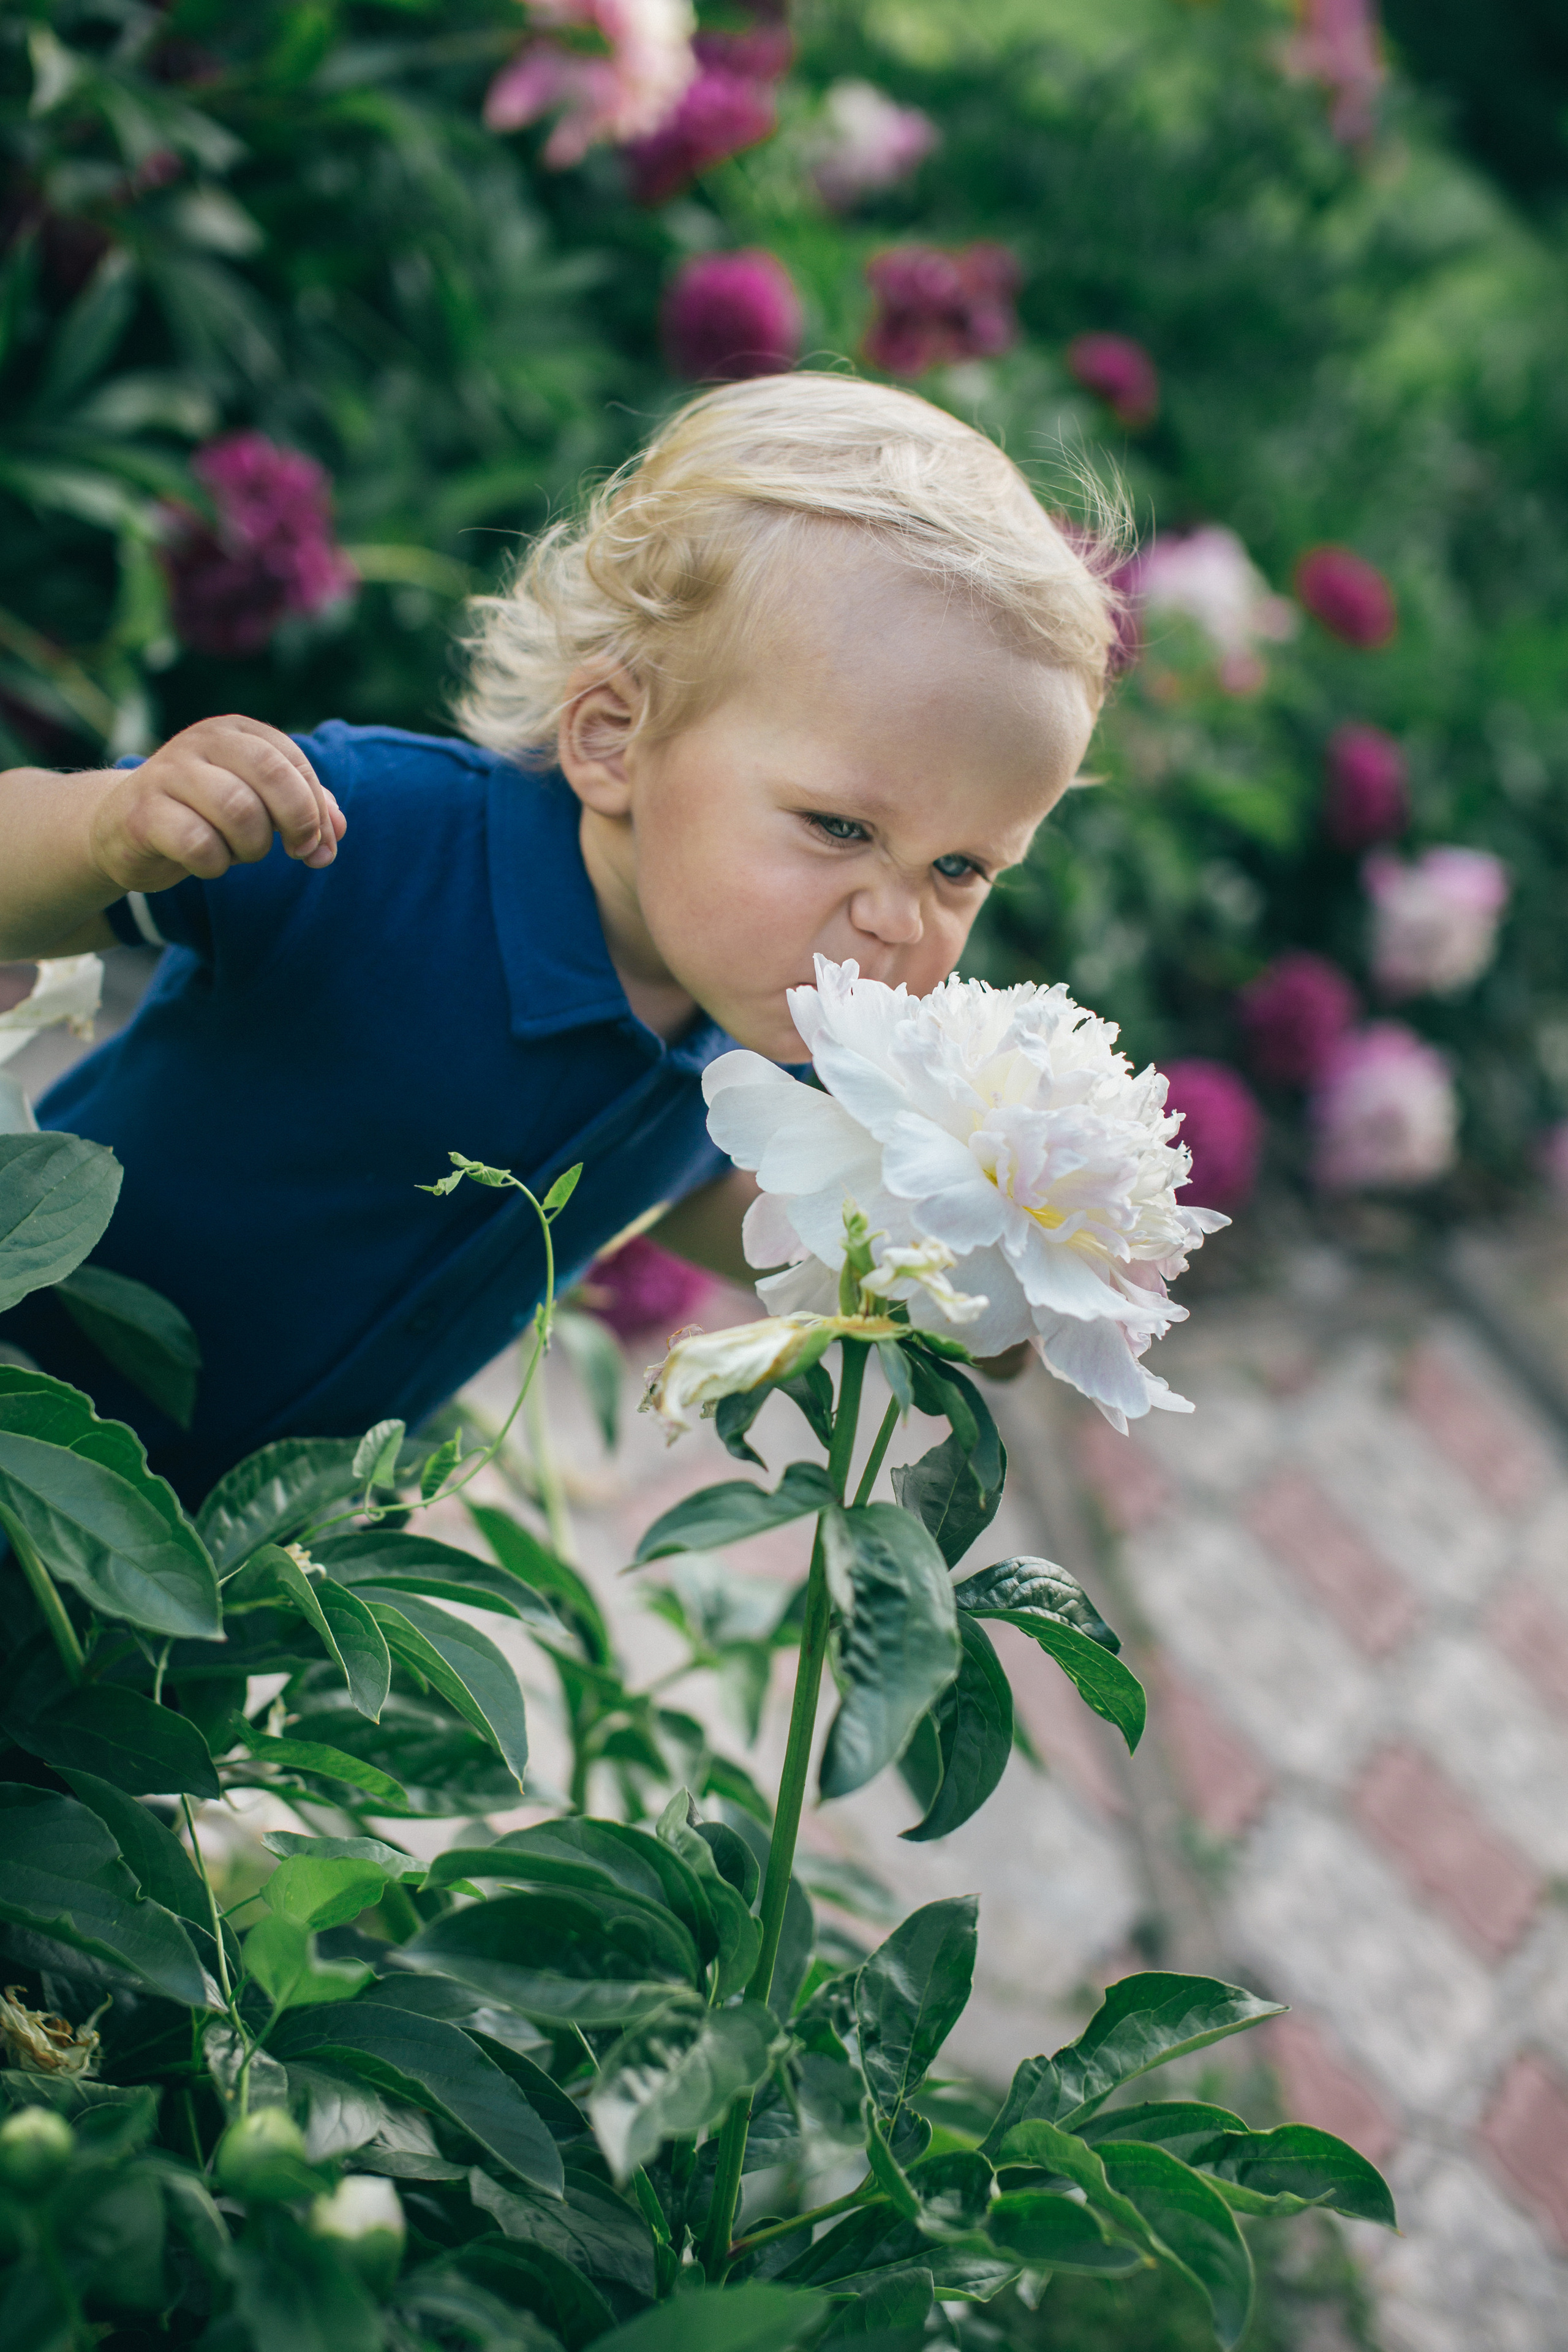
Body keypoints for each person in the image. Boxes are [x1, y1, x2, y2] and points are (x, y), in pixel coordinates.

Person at [0, 374, 1112, 1500]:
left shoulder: (745, 1033)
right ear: (615, 739)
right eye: (841, 826)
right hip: (28, 1395)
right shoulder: (372, 837)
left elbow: (703, 1199)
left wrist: (946, 1281)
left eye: (960, 868)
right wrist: (104, 831)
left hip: (230, 1557)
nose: (898, 917)